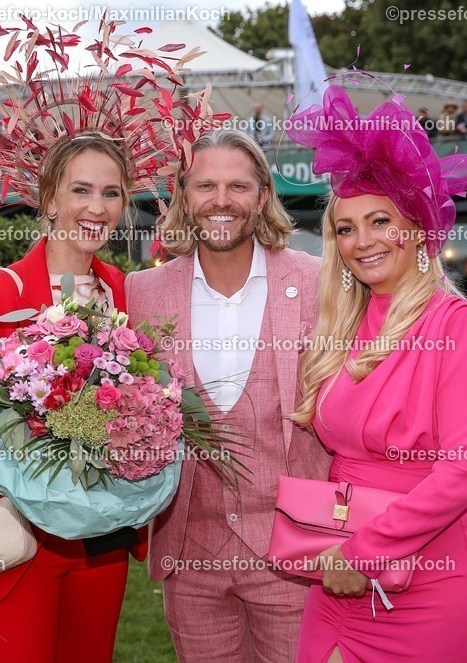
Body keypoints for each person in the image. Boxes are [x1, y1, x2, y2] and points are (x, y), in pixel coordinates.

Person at [0, 19, 224, 662]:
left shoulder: (126, 291)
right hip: (14, 534)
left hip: (100, 540)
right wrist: (51, 428)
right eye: (81, 189)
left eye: (112, 193)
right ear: (49, 198)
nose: (98, 206)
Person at [285, 85, 467, 662]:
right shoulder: (342, 329)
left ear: (418, 228)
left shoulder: (462, 326)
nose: (363, 241)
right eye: (346, 228)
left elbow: (465, 470)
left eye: (380, 221)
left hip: (433, 573)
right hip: (336, 569)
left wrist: (364, 553)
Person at [127, 129, 331, 661]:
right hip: (190, 558)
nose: (221, 201)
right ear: (183, 195)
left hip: (294, 552)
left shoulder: (317, 282)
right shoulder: (142, 293)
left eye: (237, 186)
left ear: (262, 196)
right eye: (205, 186)